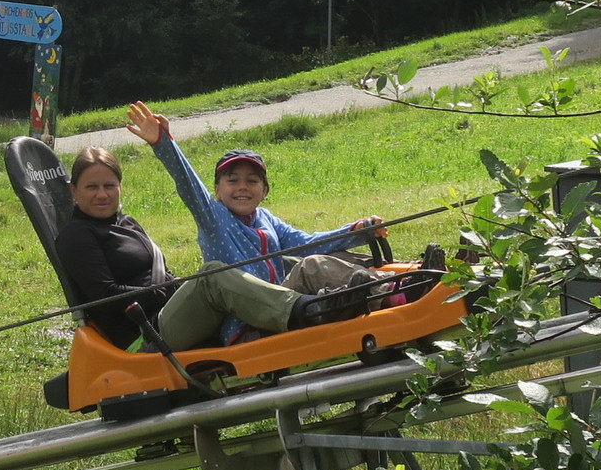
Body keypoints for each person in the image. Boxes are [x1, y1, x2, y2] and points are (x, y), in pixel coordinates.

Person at [51, 144, 344, 354]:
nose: (102, 194)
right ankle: (302, 310)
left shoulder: (126, 223)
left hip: (167, 313)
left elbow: (159, 274)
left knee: (291, 260)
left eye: (109, 185)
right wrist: (171, 289)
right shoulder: (76, 236)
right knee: (213, 275)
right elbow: (107, 297)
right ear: (73, 191)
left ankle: (358, 289)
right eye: (91, 187)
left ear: (120, 187)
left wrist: (174, 285)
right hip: (144, 337)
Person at [126, 100, 384, 315]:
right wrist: (163, 143)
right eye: (233, 180)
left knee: (318, 260)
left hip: (282, 300)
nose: (243, 187)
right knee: (312, 267)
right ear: (217, 190)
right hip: (248, 316)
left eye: (252, 181)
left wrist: (357, 230)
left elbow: (307, 244)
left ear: (264, 191)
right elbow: (188, 184)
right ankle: (385, 293)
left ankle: (387, 286)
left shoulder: (266, 219)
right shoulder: (213, 218)